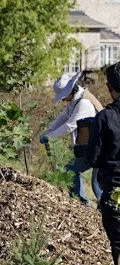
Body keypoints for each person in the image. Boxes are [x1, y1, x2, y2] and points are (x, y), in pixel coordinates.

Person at [41, 71, 103, 204]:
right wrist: (47, 132)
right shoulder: (74, 102)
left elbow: (69, 126)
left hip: (103, 148)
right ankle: (81, 204)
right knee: (71, 169)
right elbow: (61, 118)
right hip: (90, 148)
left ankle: (107, 212)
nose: (63, 100)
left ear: (70, 92)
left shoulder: (84, 103)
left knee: (97, 185)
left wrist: (50, 137)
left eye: (63, 96)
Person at [86, 63, 120, 265]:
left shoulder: (105, 118)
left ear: (109, 87)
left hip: (115, 193)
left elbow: (93, 158)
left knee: (118, 245)